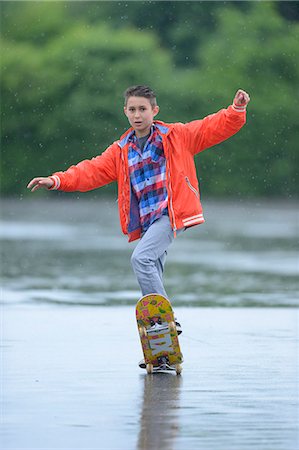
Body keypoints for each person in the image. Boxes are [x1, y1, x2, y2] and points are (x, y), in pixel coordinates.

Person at [28, 85, 250, 336]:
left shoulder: (176, 136)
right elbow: (90, 171)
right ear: (125, 112)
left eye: (143, 109)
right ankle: (163, 347)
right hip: (147, 223)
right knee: (152, 269)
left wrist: (236, 109)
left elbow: (211, 127)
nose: (137, 115)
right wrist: (56, 180)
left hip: (169, 214)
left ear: (154, 110)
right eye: (132, 109)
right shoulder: (121, 149)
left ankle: (164, 320)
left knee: (140, 259)